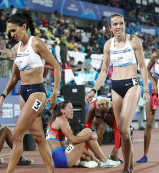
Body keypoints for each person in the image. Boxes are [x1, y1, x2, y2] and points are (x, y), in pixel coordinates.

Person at [85, 13, 150, 173]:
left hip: (132, 86)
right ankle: (129, 167)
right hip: (116, 86)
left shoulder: (134, 41)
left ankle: (127, 168)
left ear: (124, 25)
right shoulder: (108, 45)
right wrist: (94, 89)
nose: (119, 26)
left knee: (122, 126)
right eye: (115, 24)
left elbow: (142, 66)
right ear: (110, 28)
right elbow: (104, 70)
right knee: (123, 130)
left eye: (121, 23)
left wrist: (146, 88)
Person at [0, 12, 62, 173]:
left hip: (37, 93)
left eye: (14, 30)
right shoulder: (16, 49)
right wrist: (3, 95)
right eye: (10, 32)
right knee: (39, 138)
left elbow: (57, 66)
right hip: (24, 93)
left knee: (16, 134)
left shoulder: (37, 43)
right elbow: (14, 76)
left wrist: (54, 92)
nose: (12, 34)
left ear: (24, 27)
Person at [46, 100, 120, 168]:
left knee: (83, 138)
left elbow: (74, 144)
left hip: (59, 159)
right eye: (70, 108)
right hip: (63, 159)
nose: (73, 110)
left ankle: (86, 160)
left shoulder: (57, 120)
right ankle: (104, 161)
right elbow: (74, 140)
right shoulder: (61, 120)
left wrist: (90, 154)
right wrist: (90, 137)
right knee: (87, 131)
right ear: (62, 111)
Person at [85, 97, 122, 162]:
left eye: (106, 112)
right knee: (102, 126)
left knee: (122, 132)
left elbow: (117, 130)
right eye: (102, 113)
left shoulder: (113, 109)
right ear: (98, 110)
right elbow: (86, 131)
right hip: (95, 114)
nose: (104, 115)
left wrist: (116, 150)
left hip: (104, 111)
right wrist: (85, 153)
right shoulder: (91, 110)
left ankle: (113, 155)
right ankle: (97, 155)